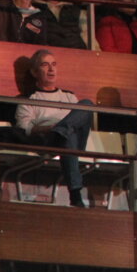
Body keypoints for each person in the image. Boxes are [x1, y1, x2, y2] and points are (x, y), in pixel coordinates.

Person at [13, 49, 94, 207]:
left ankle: (61, 131)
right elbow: (24, 128)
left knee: (88, 105)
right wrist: (48, 128)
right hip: (48, 140)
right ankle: (76, 194)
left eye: (54, 64)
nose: (51, 69)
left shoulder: (69, 97)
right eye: (45, 65)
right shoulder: (29, 99)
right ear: (35, 72)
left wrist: (60, 127)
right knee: (68, 136)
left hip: (75, 141)